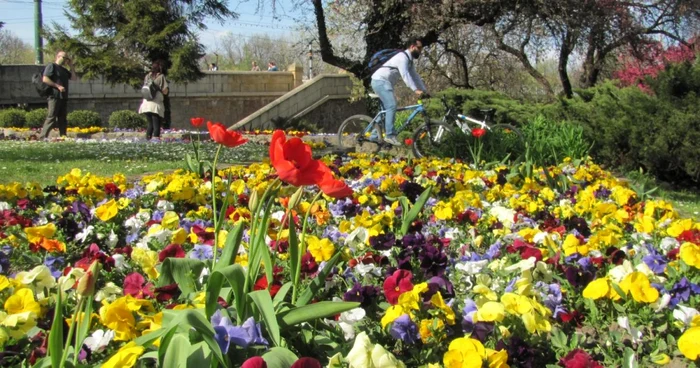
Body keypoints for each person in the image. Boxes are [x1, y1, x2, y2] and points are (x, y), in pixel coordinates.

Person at [370, 38, 428, 146]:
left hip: (383, 82)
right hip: (380, 81)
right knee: (392, 105)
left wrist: (424, 90)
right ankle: (390, 135)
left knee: (386, 110)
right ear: (412, 47)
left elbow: (415, 76)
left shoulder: (409, 61)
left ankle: (374, 135)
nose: (421, 51)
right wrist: (415, 90)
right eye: (419, 48)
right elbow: (405, 75)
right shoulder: (402, 58)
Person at [40, 51, 77, 138]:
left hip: (63, 96)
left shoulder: (64, 70)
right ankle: (42, 137)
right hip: (54, 96)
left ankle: (63, 135)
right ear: (57, 57)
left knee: (62, 118)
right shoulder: (51, 66)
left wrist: (71, 65)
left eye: (66, 58)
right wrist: (57, 86)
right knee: (51, 117)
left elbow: (74, 78)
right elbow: (45, 79)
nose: (64, 60)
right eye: (63, 57)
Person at [138, 61, 169, 141]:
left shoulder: (147, 76)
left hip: (146, 104)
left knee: (150, 124)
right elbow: (165, 91)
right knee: (156, 124)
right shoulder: (161, 77)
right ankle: (156, 141)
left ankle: (147, 140)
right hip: (155, 105)